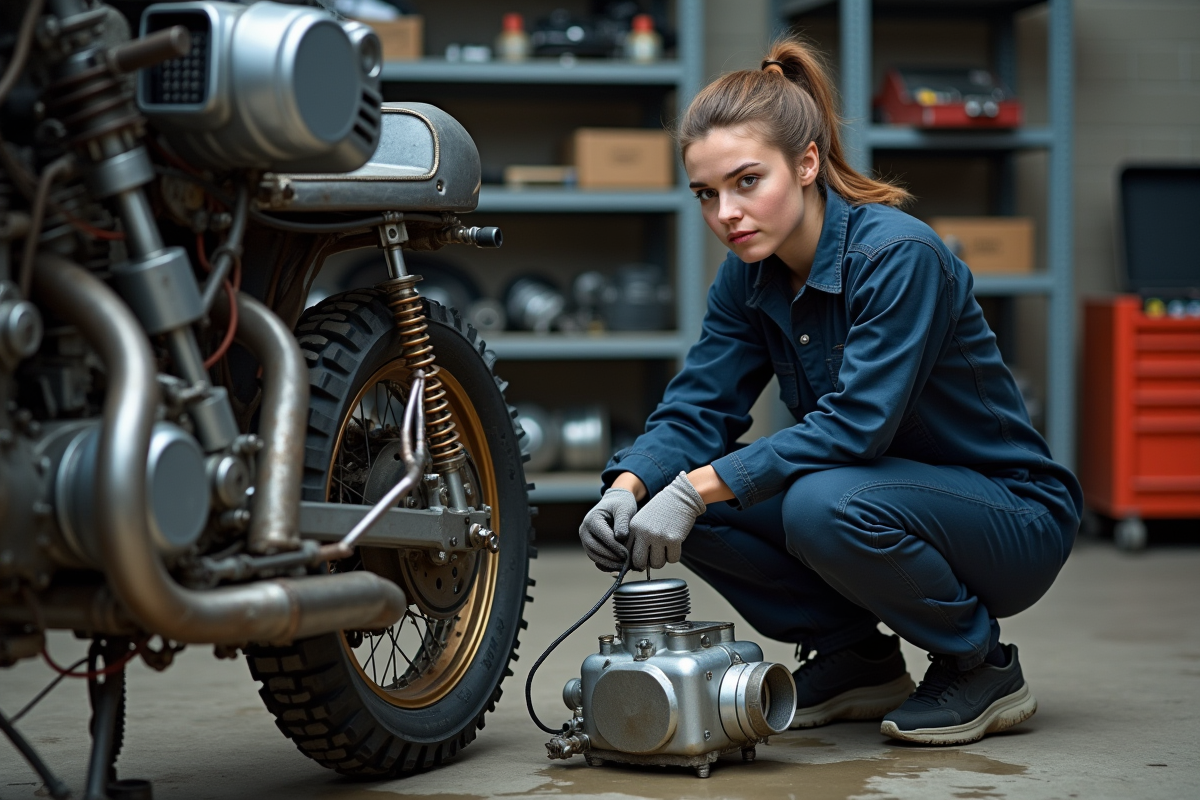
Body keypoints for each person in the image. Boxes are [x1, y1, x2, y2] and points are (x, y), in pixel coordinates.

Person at [577, 37, 1082, 747]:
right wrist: (628, 489)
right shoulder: (747, 276)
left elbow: (855, 429)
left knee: (799, 501)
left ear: (807, 162)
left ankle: (981, 664)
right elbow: (699, 405)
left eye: (747, 181)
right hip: (875, 495)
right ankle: (855, 658)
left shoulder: (898, 256)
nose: (726, 212)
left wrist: (694, 488)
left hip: (1008, 517)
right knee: (687, 501)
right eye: (706, 194)